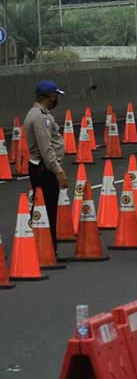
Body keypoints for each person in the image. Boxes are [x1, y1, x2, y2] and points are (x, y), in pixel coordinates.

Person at [24, 80, 68, 257]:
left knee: (42, 208)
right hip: (44, 169)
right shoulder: (40, 117)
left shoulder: (39, 114)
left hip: (41, 167)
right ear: (49, 96)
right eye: (56, 95)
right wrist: (59, 171)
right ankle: (48, 250)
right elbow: (46, 148)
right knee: (47, 210)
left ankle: (43, 247)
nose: (57, 98)